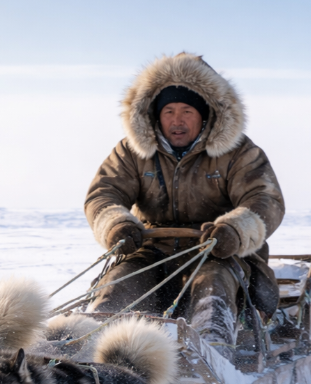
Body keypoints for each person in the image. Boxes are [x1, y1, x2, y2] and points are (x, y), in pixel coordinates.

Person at [85, 52, 284, 355]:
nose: (177, 120)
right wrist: (116, 225)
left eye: (187, 111)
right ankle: (93, 354)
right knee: (117, 287)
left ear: (206, 114)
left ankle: (213, 356)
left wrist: (234, 231)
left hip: (218, 252)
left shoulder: (240, 152)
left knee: (212, 292)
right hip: (149, 251)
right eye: (169, 111)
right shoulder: (131, 152)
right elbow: (104, 193)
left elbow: (265, 198)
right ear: (156, 115)